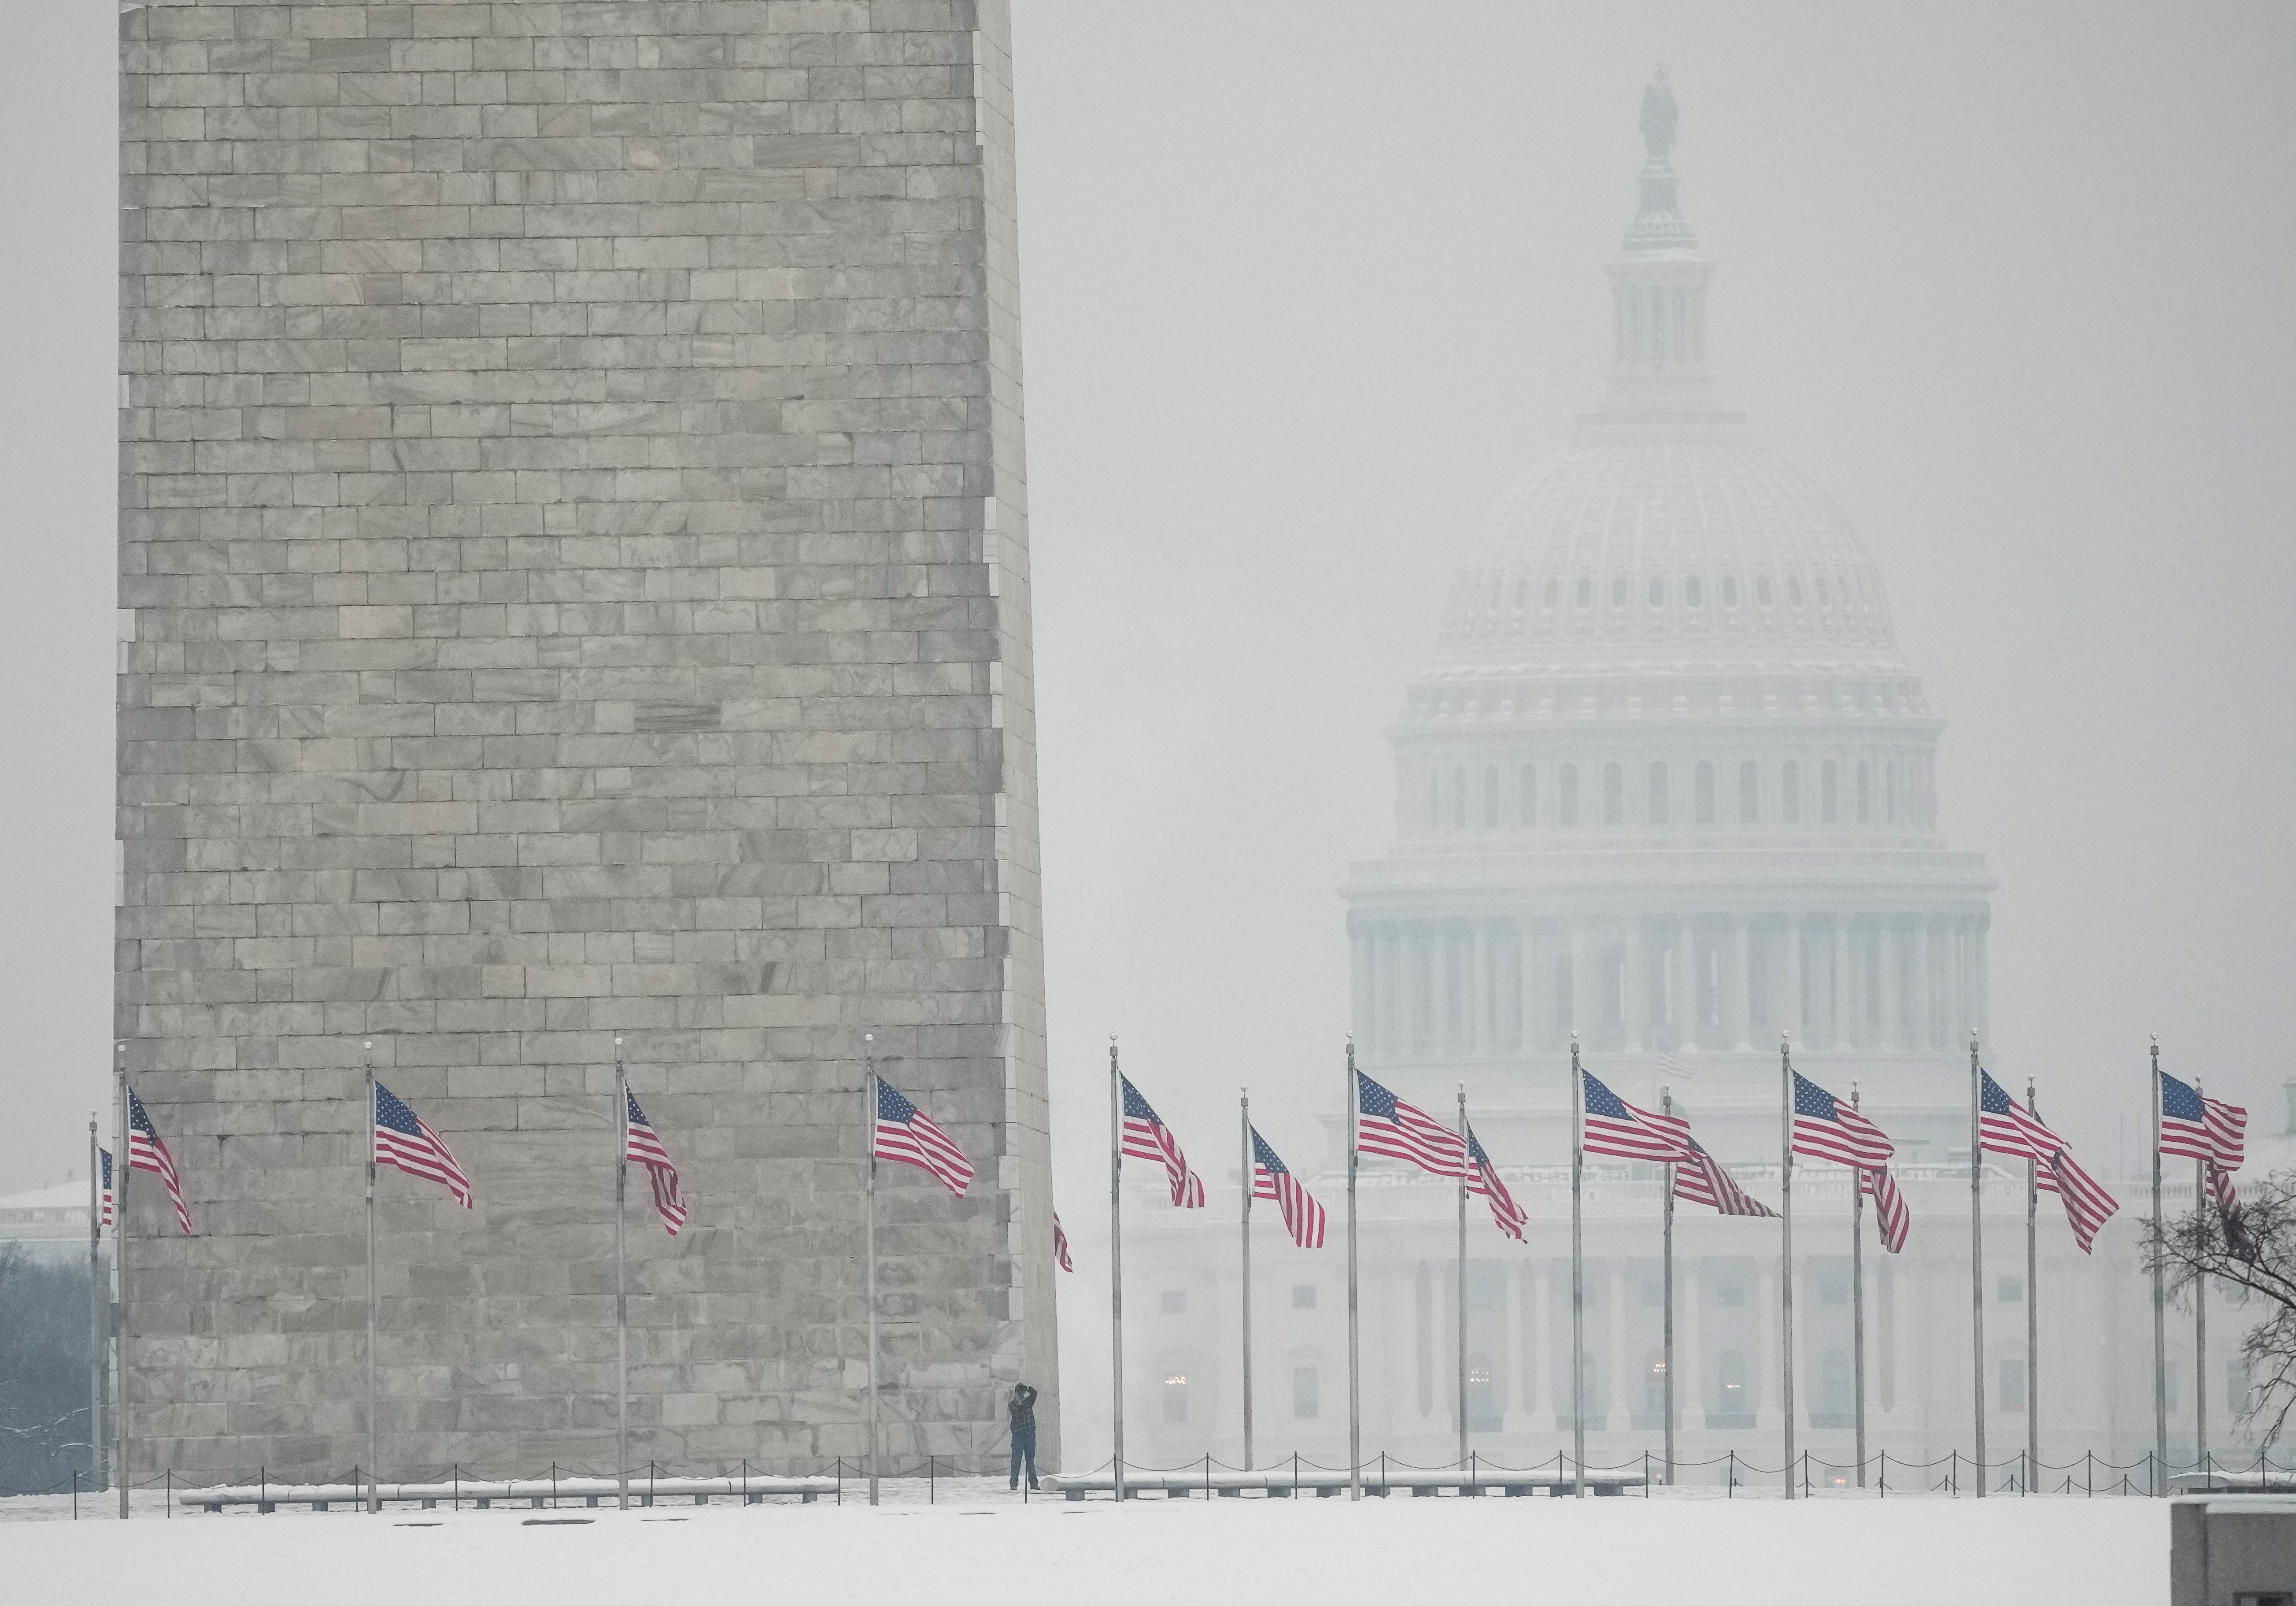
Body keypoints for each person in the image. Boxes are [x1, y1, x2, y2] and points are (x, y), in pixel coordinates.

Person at [1007, 1381, 1039, 1491]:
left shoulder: (1028, 1402)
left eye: (1024, 1392)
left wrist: (1029, 1389)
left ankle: (1034, 1484)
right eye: (1021, 1392)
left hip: (1029, 1434)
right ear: (1017, 1393)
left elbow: (1034, 1394)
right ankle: (1014, 1484)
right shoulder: (1012, 1404)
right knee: (1016, 1460)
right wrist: (1020, 1403)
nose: (1023, 1394)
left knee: (1030, 1460)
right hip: (1019, 1435)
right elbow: (1016, 1414)